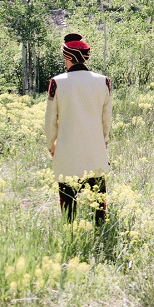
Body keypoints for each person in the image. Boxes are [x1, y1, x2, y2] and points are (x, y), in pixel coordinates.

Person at [44, 33, 112, 226]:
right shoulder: (103, 81)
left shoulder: (57, 82)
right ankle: (101, 240)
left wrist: (52, 146)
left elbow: (50, 122)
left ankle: (70, 238)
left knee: (68, 209)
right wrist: (103, 143)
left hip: (66, 153)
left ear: (67, 57)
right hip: (95, 152)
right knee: (99, 208)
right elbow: (105, 121)